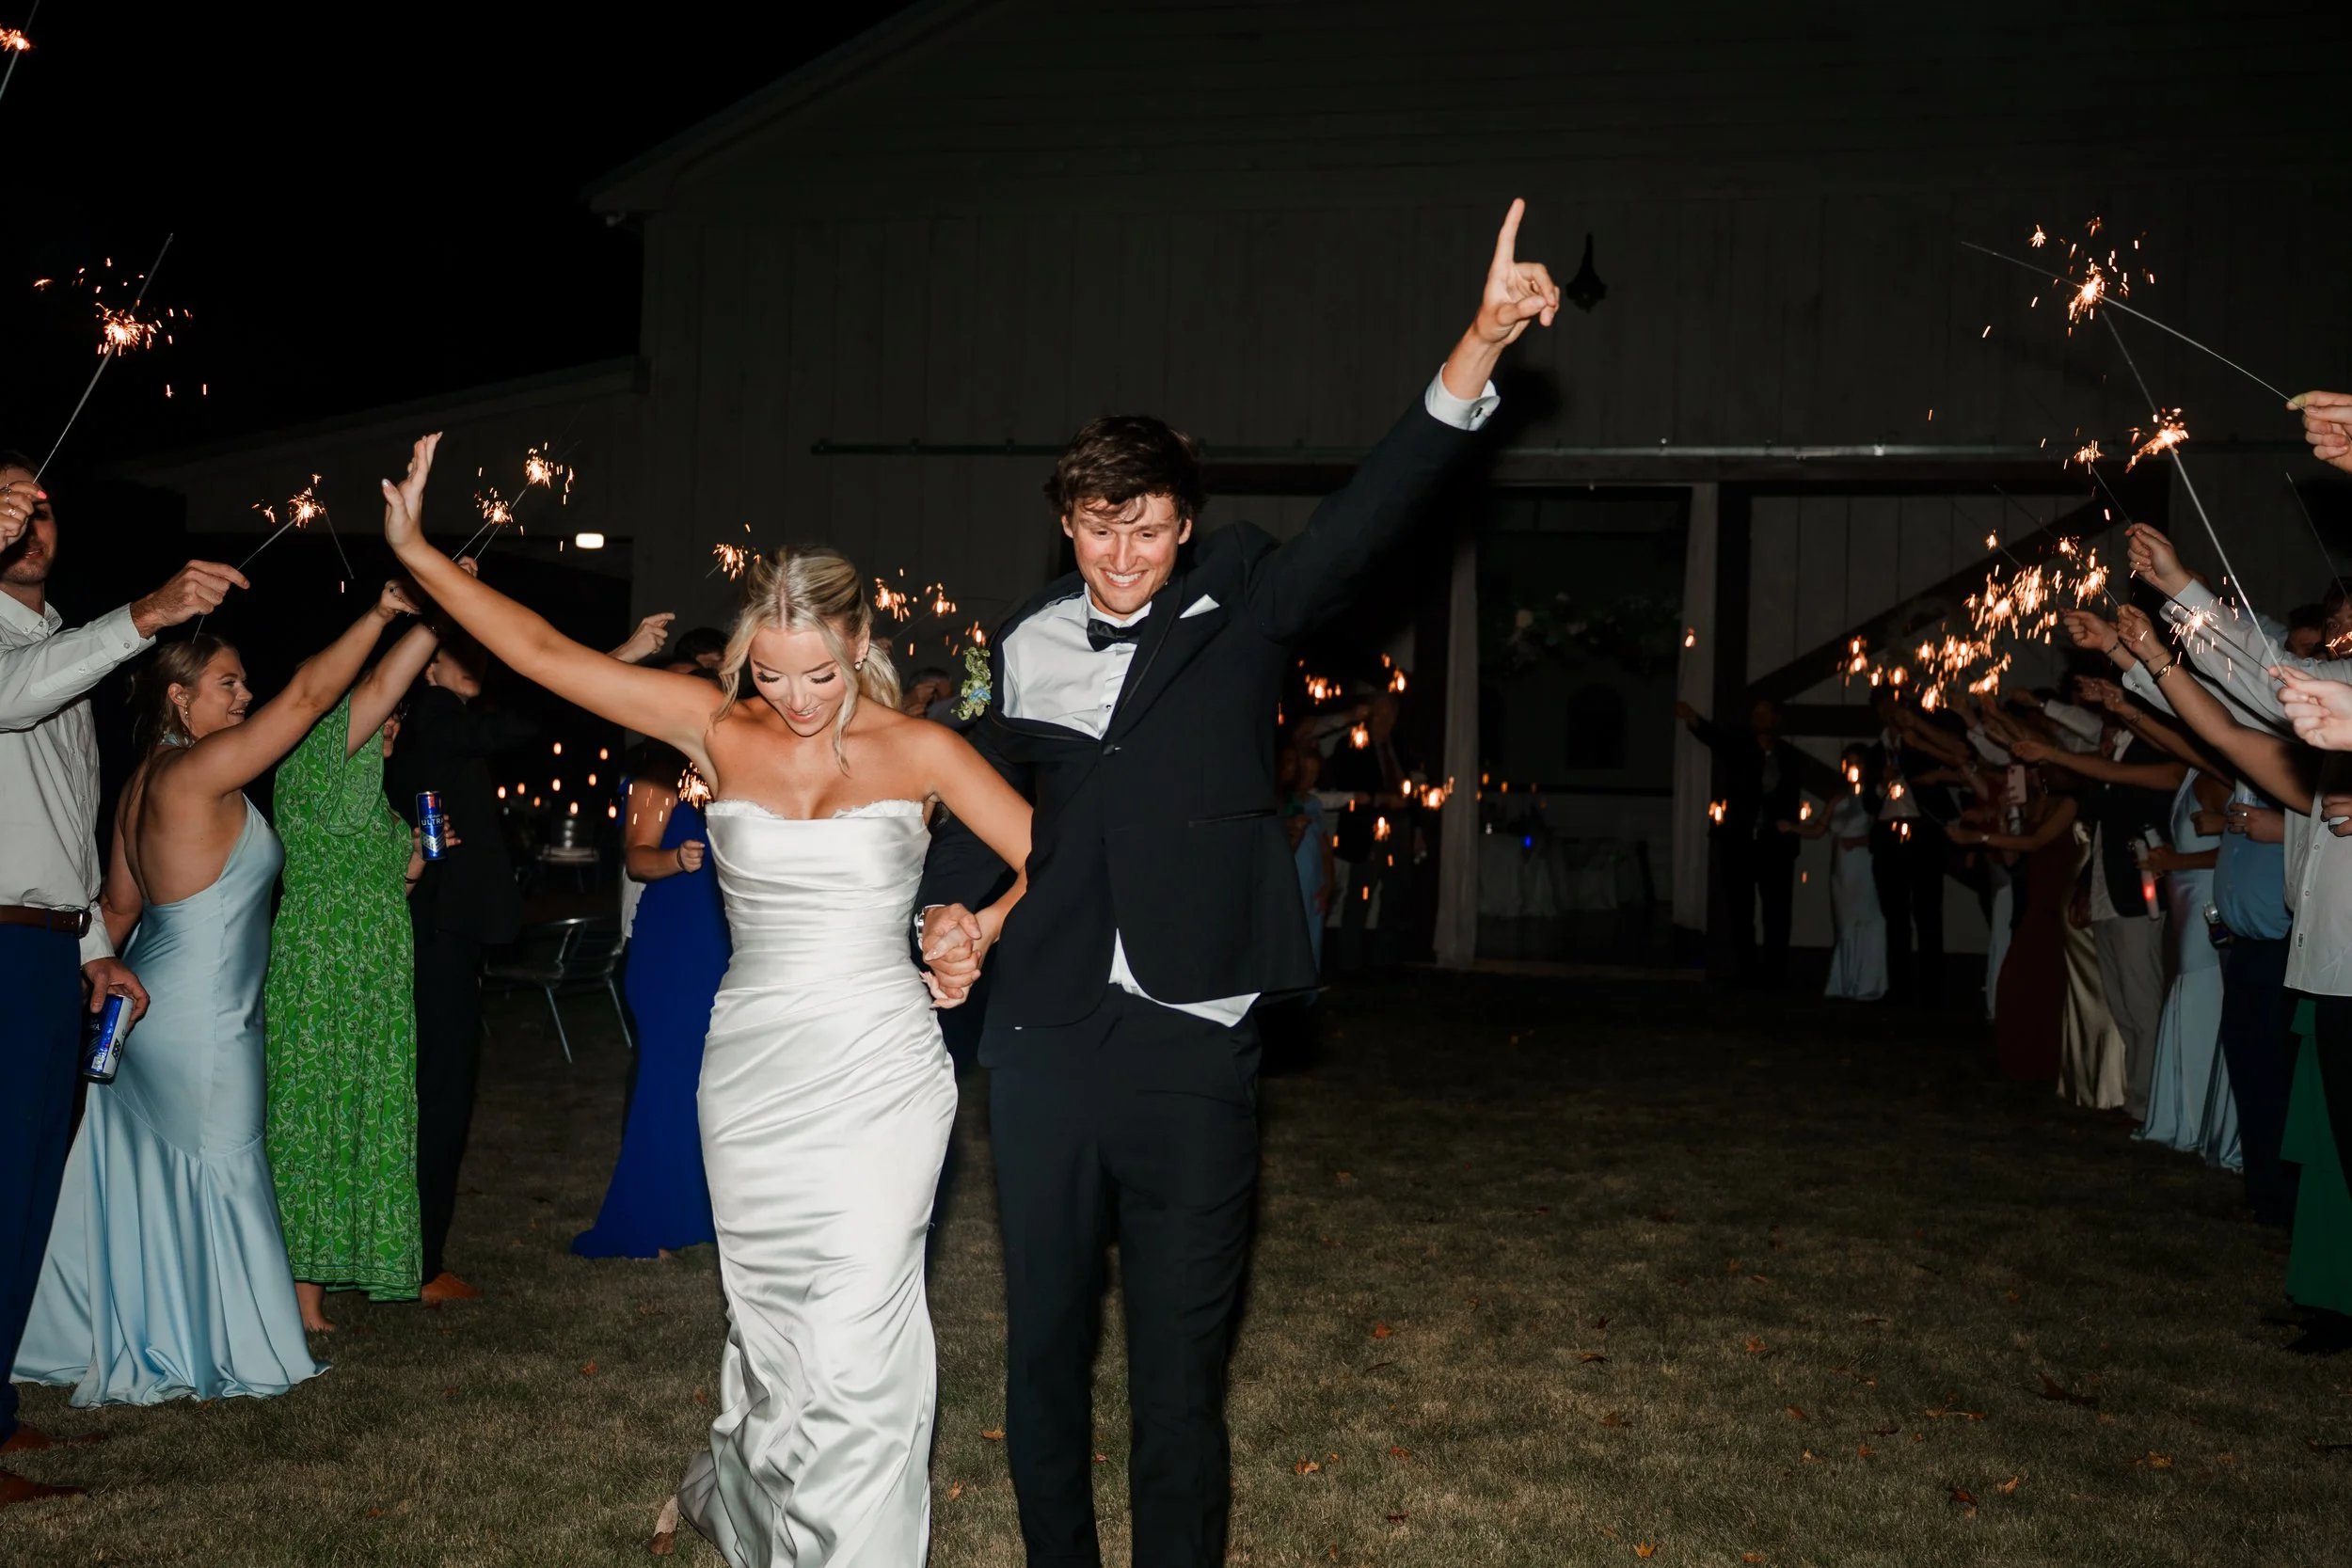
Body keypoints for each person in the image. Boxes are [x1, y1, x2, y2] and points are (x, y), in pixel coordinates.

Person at [917, 200, 1555, 1568]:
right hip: (1041, 1034)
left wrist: (1478, 346)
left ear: (1186, 523)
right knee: (1039, 1351)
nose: (1122, 556)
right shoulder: (1021, 642)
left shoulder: (1249, 592)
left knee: (1177, 1368)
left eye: (1145, 529)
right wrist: (947, 915)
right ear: (1065, 527)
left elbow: (1371, 516)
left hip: (1196, 1030)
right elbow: (984, 811)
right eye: (1097, 531)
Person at [380, 435, 1035, 1564]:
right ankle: (749, 1499)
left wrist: (977, 923)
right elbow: (538, 650)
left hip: (883, 1061)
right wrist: (418, 553)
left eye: (818, 673)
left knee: (865, 1331)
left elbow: (1057, 859)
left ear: (861, 644)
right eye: (770, 670)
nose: (790, 697)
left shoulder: (925, 747)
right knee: (778, 1327)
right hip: (753, 1065)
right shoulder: (709, 724)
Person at [15, 577, 424, 1411]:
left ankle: (136, 1322)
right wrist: (382, 613)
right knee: (230, 1170)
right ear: (179, 696)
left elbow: (119, 910)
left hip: (147, 1010)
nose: (245, 696)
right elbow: (313, 694)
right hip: (205, 1017)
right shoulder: (198, 771)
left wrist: (102, 1008)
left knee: (149, 1174)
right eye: (229, 684)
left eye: (244, 684)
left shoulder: (141, 781)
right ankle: (241, 1346)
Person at [0, 462, 244, 1501]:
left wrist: (96, 937)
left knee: (27, 1187)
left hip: (49, 946)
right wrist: (145, 613)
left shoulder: (57, 649)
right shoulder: (47, 656)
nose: (32, 517)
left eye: (43, 502)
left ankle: (0, 1412)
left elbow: (63, 818)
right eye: (12, 501)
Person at [263, 599, 445, 1331]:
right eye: (381, 718)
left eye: (397, 724)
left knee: (364, 1117)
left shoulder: (379, 803)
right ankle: (298, 1296)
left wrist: (419, 859)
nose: (389, 727)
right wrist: (435, 614)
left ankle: (336, 1271)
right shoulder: (308, 765)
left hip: (376, 975)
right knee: (312, 1118)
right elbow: (376, 685)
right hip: (321, 969)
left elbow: (399, 880)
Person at [383, 615, 534, 1307]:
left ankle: (414, 1253)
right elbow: (509, 729)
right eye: (456, 651)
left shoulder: (435, 726)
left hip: (442, 930)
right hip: (435, 934)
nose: (472, 659)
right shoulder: (434, 720)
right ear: (428, 668)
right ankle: (419, 1262)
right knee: (440, 1097)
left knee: (434, 1094)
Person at [573, 701, 728, 1261]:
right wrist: (677, 859)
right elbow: (638, 860)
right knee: (669, 1081)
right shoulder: (659, 771)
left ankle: (704, 1214)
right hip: (676, 947)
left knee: (718, 1084)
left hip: (728, 940)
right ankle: (646, 1224)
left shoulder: (729, 765)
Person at [1950, 765, 2080, 1084]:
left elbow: (2036, 843)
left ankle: (2048, 1065)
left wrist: (1977, 836)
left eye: (2038, 770)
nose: (2035, 776)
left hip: (2060, 904)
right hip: (2035, 902)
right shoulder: (2035, 805)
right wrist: (2007, 814)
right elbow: (2011, 858)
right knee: (2017, 983)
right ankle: (2022, 1061)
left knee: (2049, 988)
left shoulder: (2070, 804)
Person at [1675, 695, 1805, 986]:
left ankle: (1774, 974)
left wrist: (1794, 833)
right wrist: (1691, 716)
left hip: (1776, 846)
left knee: (1777, 913)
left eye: (1765, 713)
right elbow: (1713, 737)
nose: (1759, 718)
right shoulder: (1739, 748)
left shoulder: (1789, 757)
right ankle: (1747, 972)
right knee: (1741, 910)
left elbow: (1792, 799)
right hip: (1740, 843)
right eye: (1755, 713)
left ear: (1776, 719)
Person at [1325, 690, 1423, 971]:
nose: (1385, 719)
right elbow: (1344, 783)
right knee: (1361, 892)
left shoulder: (1400, 746)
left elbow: (1413, 787)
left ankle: (1385, 960)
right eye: (1379, 713)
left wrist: (1416, 830)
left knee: (1396, 892)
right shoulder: (1353, 744)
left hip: (1400, 827)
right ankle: (1350, 962)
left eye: (1390, 714)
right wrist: (1381, 798)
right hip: (1368, 827)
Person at [1804, 744, 1885, 1002]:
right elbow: (1819, 829)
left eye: (1857, 762)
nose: (1853, 768)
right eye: (1848, 763)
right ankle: (1846, 980)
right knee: (1846, 924)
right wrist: (1792, 827)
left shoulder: (1873, 797)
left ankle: (1867, 981)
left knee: (1867, 919)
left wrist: (1858, 842)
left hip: (1863, 866)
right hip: (1841, 872)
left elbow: (1881, 834)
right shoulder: (1838, 799)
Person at [1279, 739, 1333, 974]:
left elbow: (1324, 848)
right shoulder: (1282, 803)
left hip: (1313, 883)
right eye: (1306, 771)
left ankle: (1308, 994)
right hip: (1292, 881)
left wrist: (1329, 884)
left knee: (1312, 938)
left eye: (1315, 773)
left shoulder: (1315, 804)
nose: (1309, 778)